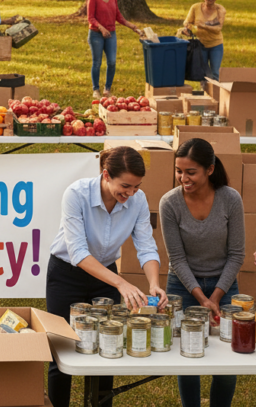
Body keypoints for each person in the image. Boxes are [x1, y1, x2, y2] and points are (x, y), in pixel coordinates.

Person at [47, 146, 165, 407]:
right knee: (60, 351)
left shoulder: (138, 200)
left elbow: (146, 246)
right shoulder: (76, 194)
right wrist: (122, 282)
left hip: (106, 275)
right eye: (125, 186)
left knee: (108, 346)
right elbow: (77, 252)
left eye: (136, 187)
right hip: (66, 273)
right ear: (106, 175)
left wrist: (154, 284)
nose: (131, 193)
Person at [160, 138, 244, 407]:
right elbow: (177, 258)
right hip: (182, 286)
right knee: (188, 357)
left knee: (228, 359)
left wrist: (217, 296)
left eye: (190, 172)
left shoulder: (230, 199)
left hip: (225, 284)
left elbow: (236, 254)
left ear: (209, 169)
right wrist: (200, 297)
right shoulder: (169, 203)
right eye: (179, 171)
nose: (183, 178)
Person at [86, 0, 143, 100]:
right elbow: (90, 18)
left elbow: (118, 16)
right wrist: (101, 28)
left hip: (111, 34)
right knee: (97, 62)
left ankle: (107, 89)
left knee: (112, 62)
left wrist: (132, 26)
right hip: (96, 34)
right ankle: (96, 89)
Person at [182, 0, 226, 83]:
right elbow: (187, 21)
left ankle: (215, 94)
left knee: (215, 72)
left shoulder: (220, 10)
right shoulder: (195, 7)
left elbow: (218, 28)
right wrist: (187, 28)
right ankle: (205, 94)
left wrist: (202, 25)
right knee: (204, 73)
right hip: (200, 45)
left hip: (216, 45)